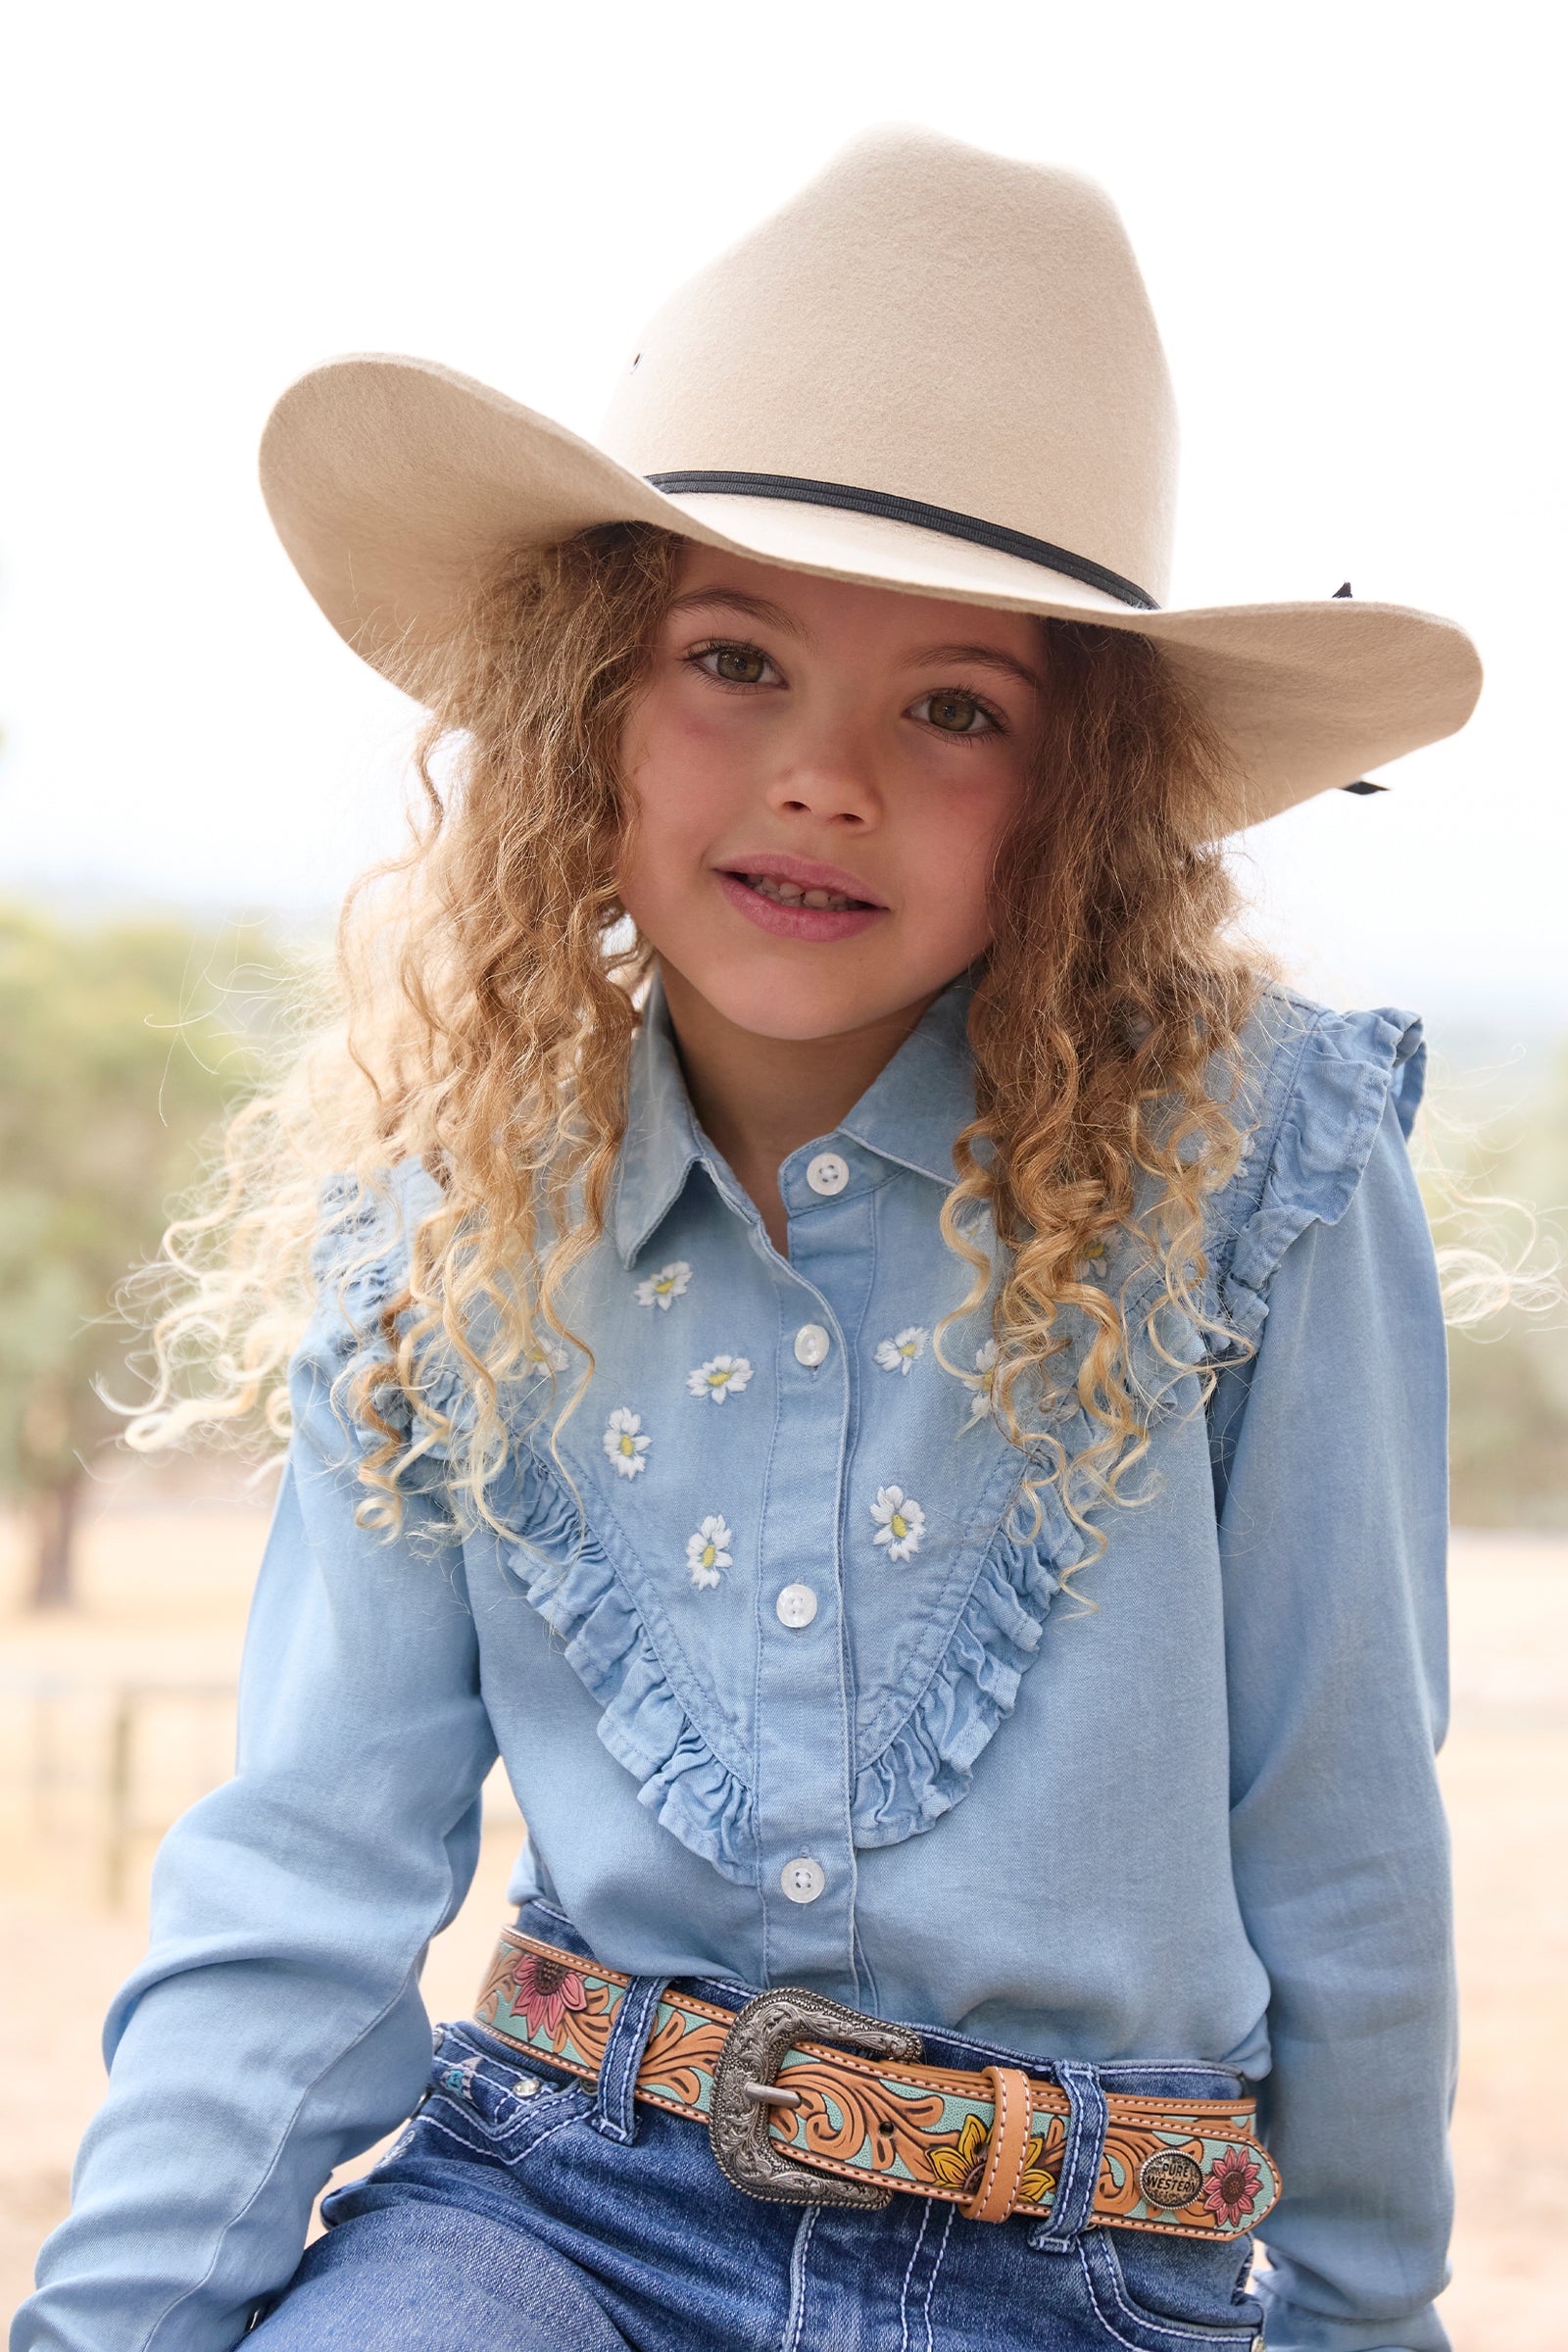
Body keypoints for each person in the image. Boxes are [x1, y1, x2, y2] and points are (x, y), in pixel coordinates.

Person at [16, 127, 1482, 2352]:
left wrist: (1361, 2320)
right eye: (731, 658)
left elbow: (1345, 1831)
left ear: (1073, 795)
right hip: (556, 2224)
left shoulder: (1249, 1171)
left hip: (1088, 2279)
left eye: (954, 708)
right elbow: (310, 1861)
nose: (822, 776)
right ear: (586, 697)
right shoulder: (449, 1217)